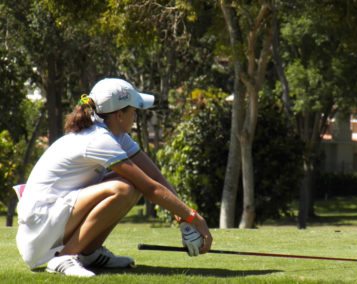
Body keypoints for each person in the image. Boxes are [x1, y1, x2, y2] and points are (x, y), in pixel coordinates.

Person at [15, 78, 213, 277]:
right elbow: (150, 189)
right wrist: (195, 218)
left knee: (131, 184)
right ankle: (65, 256)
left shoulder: (117, 136)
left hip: (55, 217)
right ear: (119, 115)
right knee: (124, 188)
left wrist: (183, 218)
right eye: (133, 110)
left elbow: (156, 178)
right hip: (39, 228)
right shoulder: (98, 139)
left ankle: (89, 253)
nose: (135, 115)